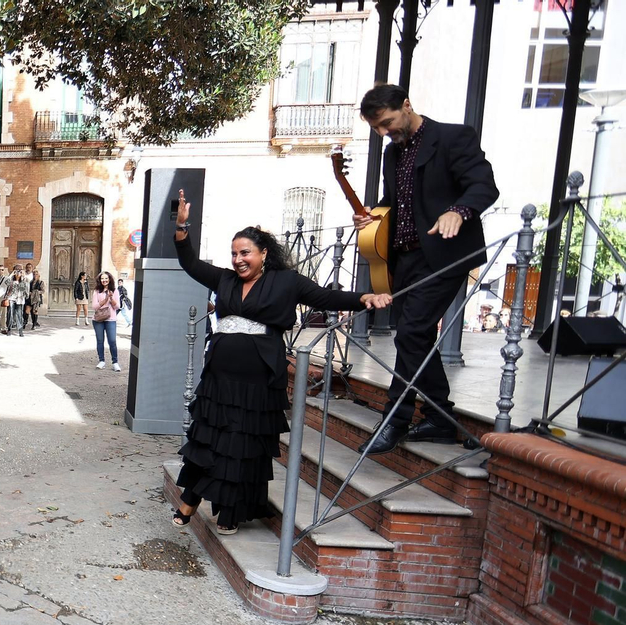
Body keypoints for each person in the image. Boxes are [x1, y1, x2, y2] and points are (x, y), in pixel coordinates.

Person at [169, 189, 391, 534]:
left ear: (264, 253)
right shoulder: (224, 279)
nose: (238, 259)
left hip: (258, 380)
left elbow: (326, 296)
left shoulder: (286, 281)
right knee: (210, 439)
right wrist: (181, 227)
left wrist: (365, 297)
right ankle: (193, 497)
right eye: (234, 253)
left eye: (245, 252)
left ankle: (225, 511)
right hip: (218, 378)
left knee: (240, 445)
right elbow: (190, 263)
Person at [355, 83, 500, 454]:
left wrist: (458, 211)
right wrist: (372, 217)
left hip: (443, 255)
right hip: (403, 258)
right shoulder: (392, 153)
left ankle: (395, 419)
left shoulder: (453, 137)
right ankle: (439, 417)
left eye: (388, 122)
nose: (385, 132)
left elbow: (484, 186)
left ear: (406, 105)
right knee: (414, 334)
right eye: (378, 129)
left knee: (412, 331)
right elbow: (395, 203)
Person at [91, 272, 121, 370]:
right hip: (98, 319)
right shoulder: (97, 291)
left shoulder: (115, 290)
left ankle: (115, 362)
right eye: (102, 278)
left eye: (106, 278)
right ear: (99, 280)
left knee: (112, 341)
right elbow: (94, 306)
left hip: (111, 319)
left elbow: (117, 307)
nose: (104, 280)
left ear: (110, 279)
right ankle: (101, 361)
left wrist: (111, 298)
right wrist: (105, 299)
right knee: (100, 341)